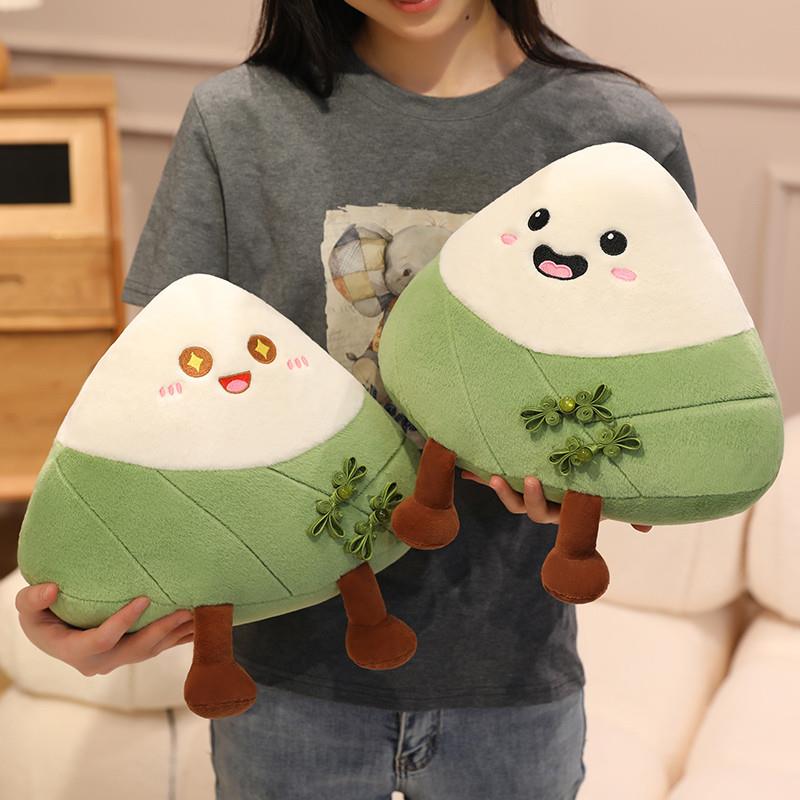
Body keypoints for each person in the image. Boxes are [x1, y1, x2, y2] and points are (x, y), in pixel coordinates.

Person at [16, 1, 696, 797]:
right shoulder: (237, 122)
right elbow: (153, 415)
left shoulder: (618, 132)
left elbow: (658, 403)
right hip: (281, 685)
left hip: (512, 676)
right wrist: (87, 608)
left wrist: (600, 492)